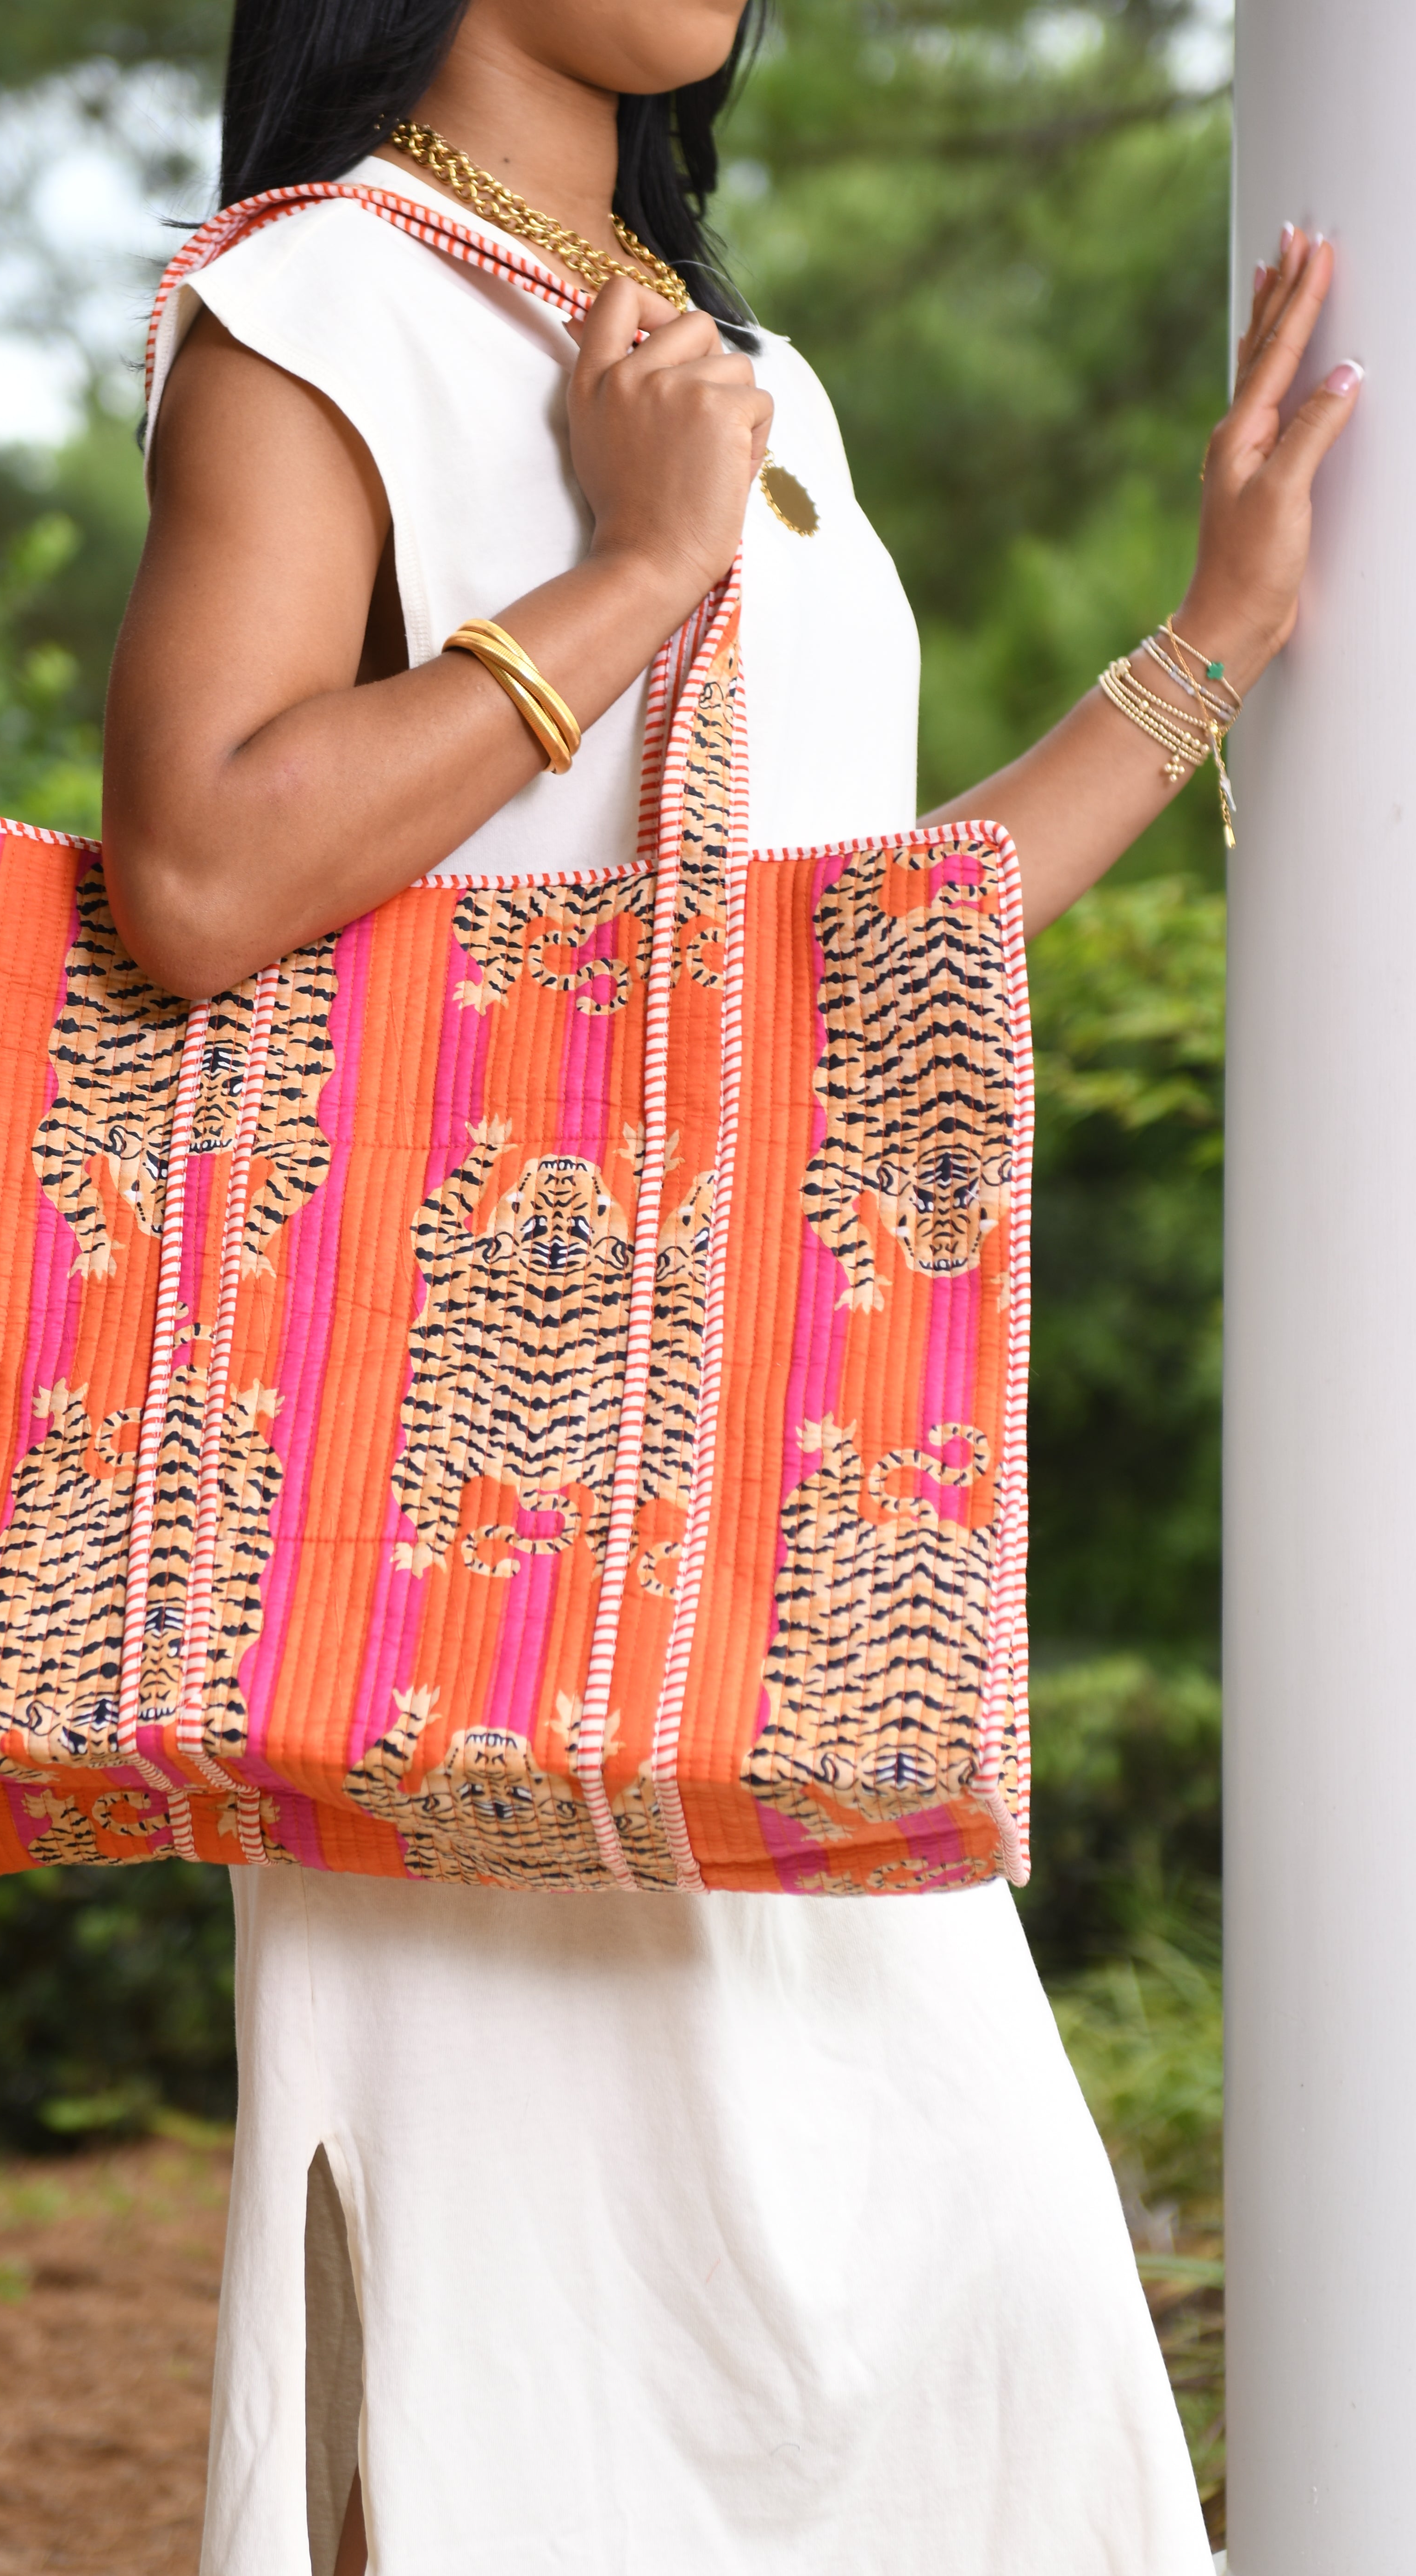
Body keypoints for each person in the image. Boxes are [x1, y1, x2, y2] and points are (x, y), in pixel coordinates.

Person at [103, 6, 1357, 2569]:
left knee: (970, 2309)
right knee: (528, 2367)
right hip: (447, 1540)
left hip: (772, 1518)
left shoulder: (755, 381)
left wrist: (1211, 637)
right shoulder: (309, 307)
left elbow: (852, 963)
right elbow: (199, 884)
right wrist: (637, 566)